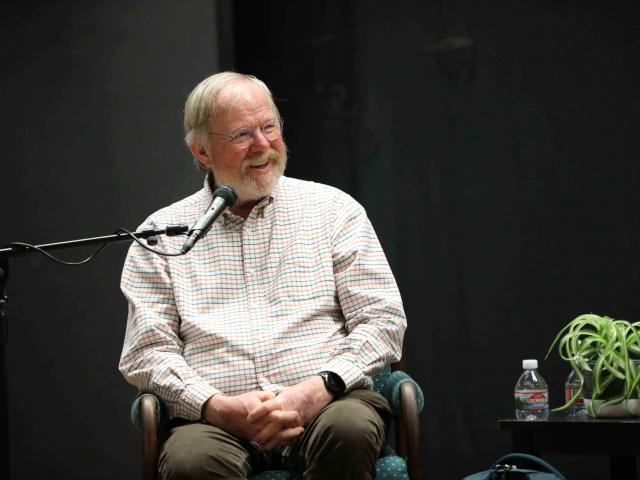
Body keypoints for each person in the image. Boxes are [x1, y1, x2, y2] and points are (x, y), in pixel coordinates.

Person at [119, 72, 407, 479]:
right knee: (190, 461)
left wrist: (317, 389)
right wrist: (217, 406)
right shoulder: (162, 234)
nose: (263, 145)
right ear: (202, 152)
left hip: (329, 403)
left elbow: (383, 321)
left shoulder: (333, 211)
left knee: (350, 428)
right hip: (213, 421)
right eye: (241, 135)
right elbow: (146, 353)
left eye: (269, 127)